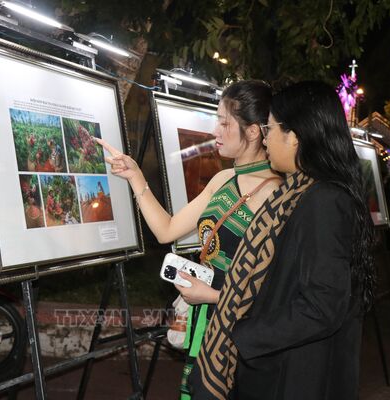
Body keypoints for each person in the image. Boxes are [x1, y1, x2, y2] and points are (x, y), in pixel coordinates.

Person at [190, 81, 376, 400]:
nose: (265, 138)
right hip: (284, 366)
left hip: (294, 375)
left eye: (271, 128)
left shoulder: (324, 200)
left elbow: (322, 306)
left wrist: (245, 334)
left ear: (295, 136)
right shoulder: (299, 192)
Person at [97, 80, 281, 400]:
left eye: (225, 123)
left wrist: (212, 296)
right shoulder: (224, 179)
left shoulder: (275, 192)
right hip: (205, 319)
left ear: (253, 131)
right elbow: (167, 230)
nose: (216, 131)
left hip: (237, 330)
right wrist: (136, 176)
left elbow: (274, 287)